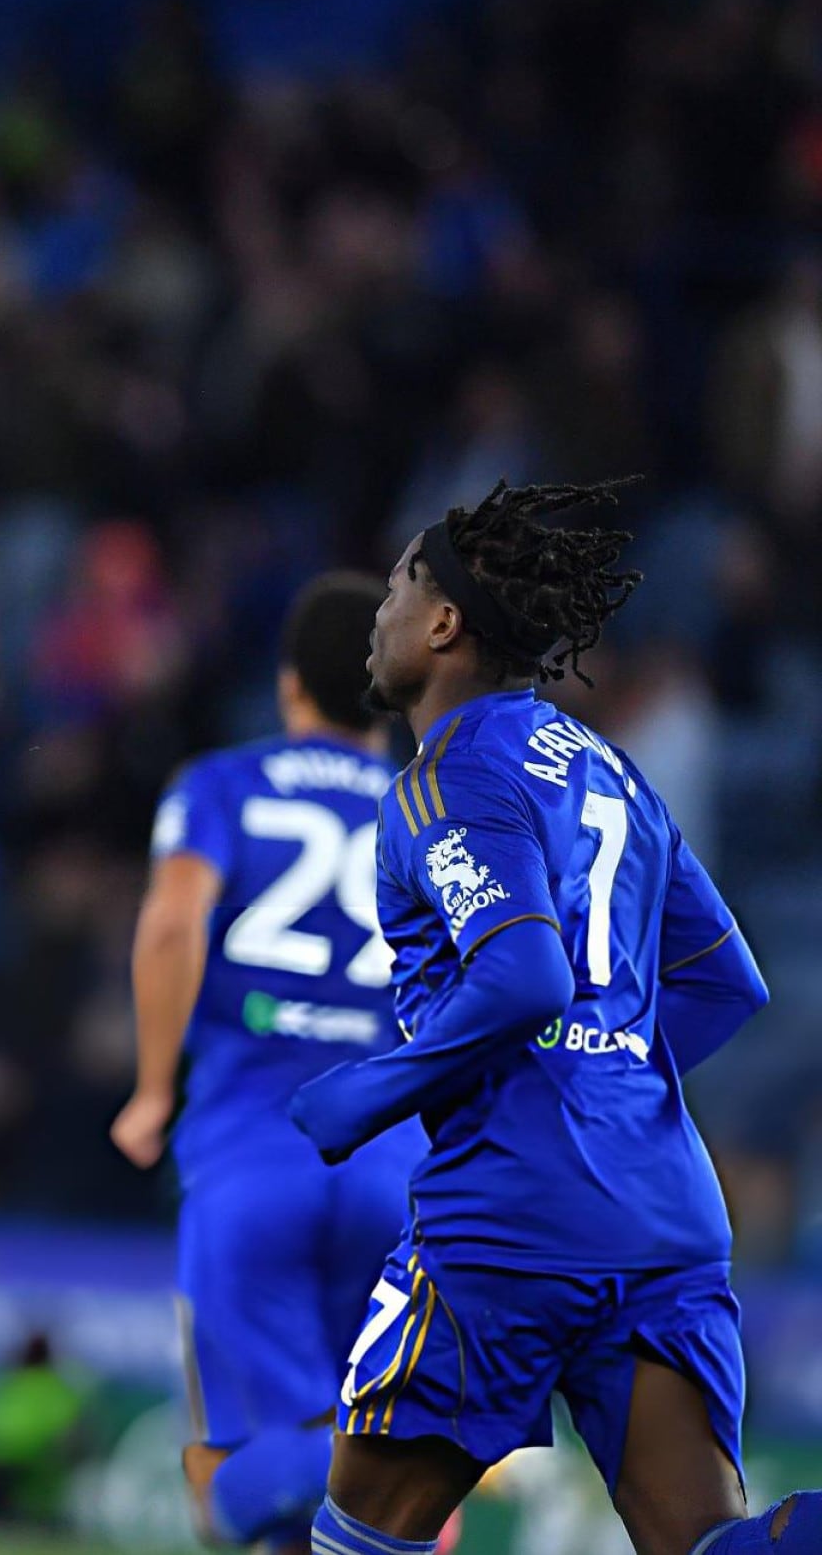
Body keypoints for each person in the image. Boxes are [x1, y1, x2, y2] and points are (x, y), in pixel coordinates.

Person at [286, 482, 808, 1555]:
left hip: (514, 1215)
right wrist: (605, 1076)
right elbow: (724, 980)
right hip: (664, 1214)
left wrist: (371, 1091)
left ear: (442, 623)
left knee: (358, 1538)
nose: (377, 618)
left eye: (394, 589)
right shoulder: (611, 769)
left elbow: (525, 977)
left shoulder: (449, 776)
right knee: (712, 1548)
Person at [112, 572, 426, 1550]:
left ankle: (446, 1477)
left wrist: (154, 1088)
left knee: (227, 1486)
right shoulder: (434, 813)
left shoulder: (222, 785)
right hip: (392, 1163)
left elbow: (172, 926)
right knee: (354, 1501)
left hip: (253, 1148)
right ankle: (426, 1472)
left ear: (290, 686)